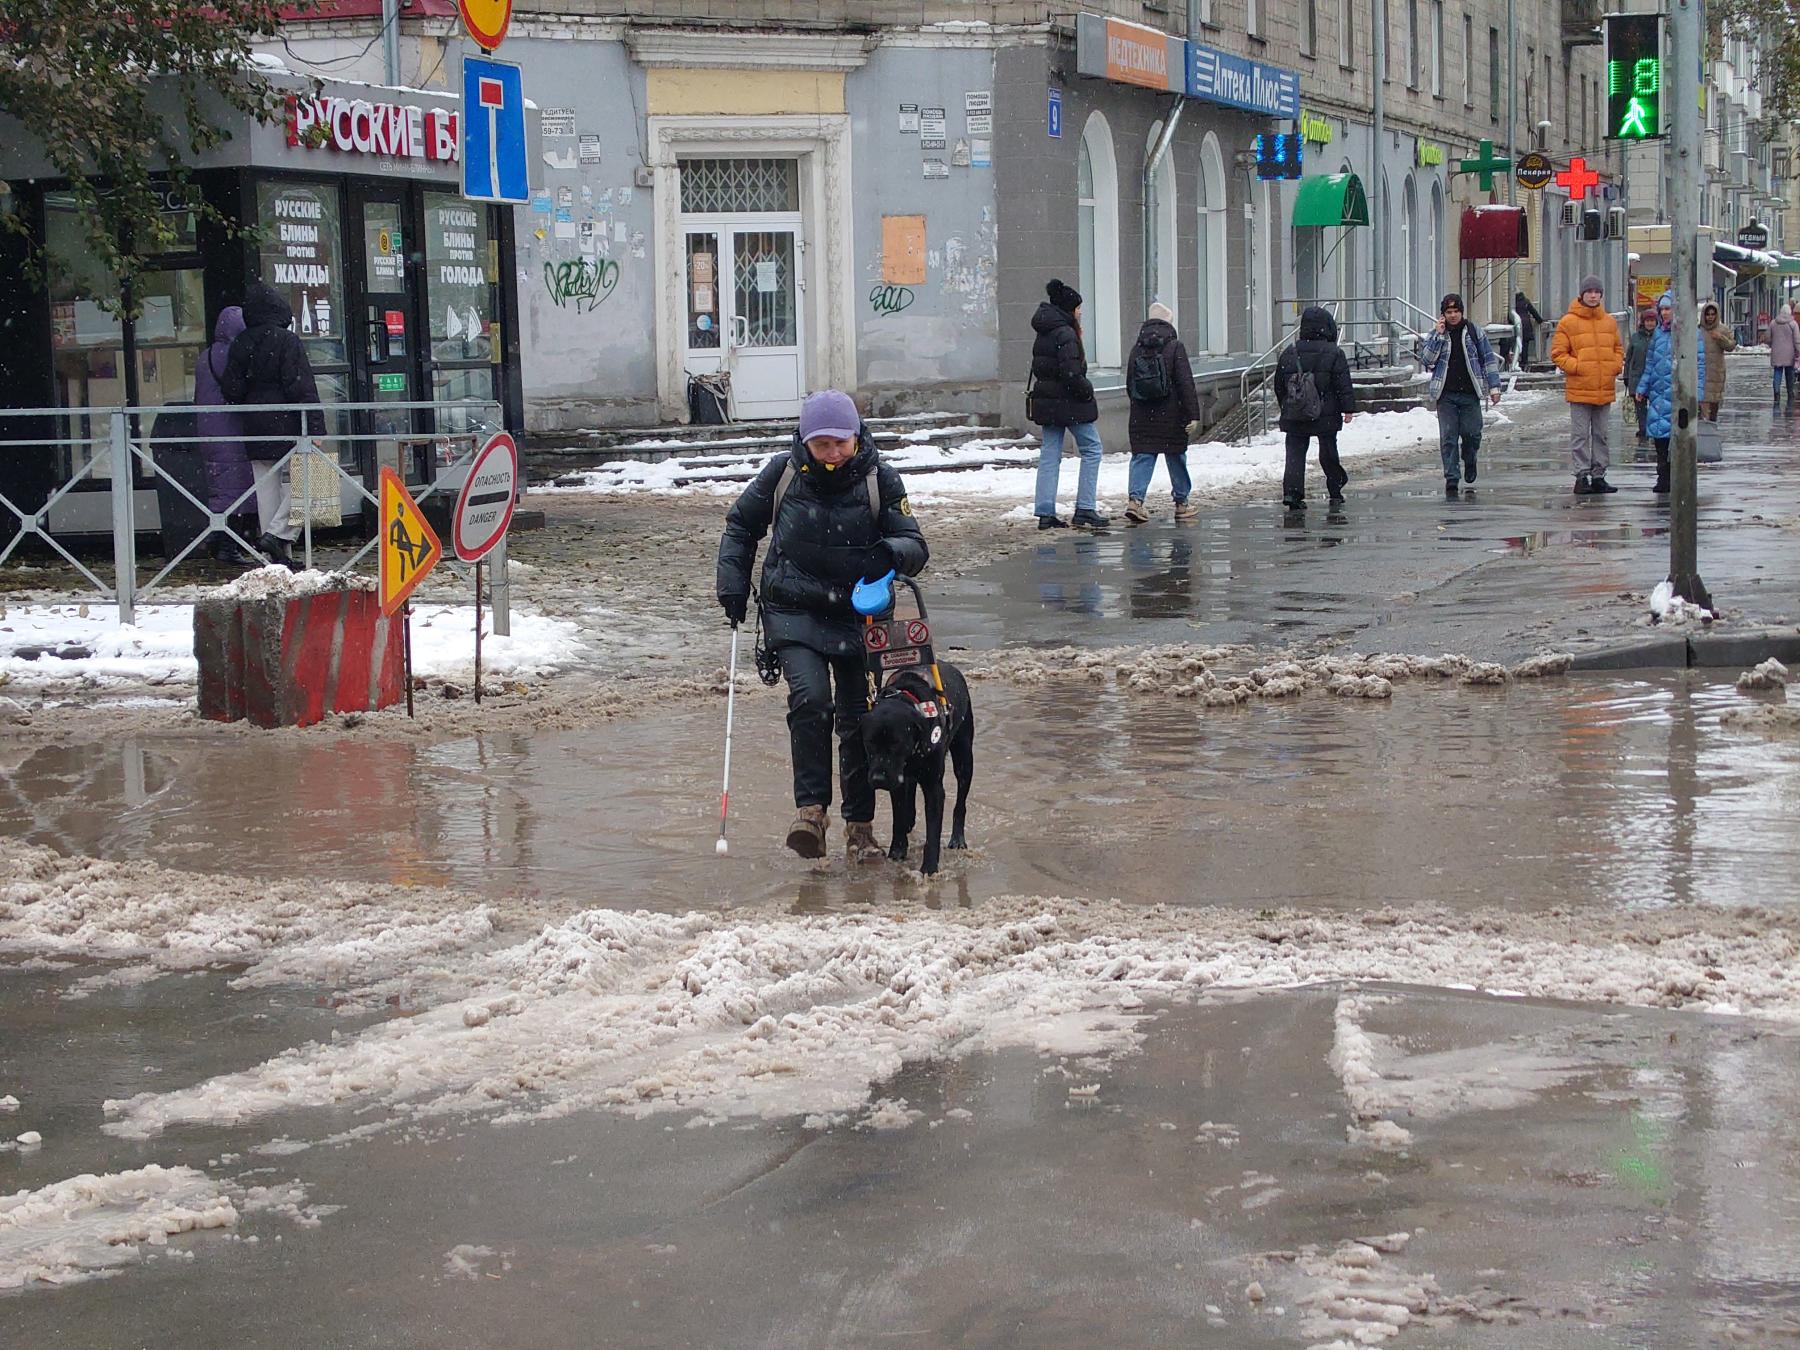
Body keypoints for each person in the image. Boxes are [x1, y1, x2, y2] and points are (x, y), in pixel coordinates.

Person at [716, 389, 928, 863]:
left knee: (859, 719)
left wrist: (890, 554)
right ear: (805, 441)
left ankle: (860, 828)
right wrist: (732, 585)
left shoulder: (880, 478)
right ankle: (811, 814)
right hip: (794, 609)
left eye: (841, 442)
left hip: (860, 615)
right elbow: (740, 526)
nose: (833, 453)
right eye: (822, 444)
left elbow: (915, 543)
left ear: (857, 436)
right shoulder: (783, 473)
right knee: (811, 700)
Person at [219, 281, 325, 567]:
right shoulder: (287, 341)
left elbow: (232, 390)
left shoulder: (240, 343)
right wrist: (315, 427)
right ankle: (278, 536)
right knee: (314, 480)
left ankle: (275, 561)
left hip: (255, 425)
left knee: (267, 493)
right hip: (288, 424)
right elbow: (302, 387)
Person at [1029, 278, 1108, 530]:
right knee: (1092, 449)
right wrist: (1087, 391)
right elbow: (1071, 373)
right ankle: (1085, 508)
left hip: (1047, 401)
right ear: (1068, 309)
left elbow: (1043, 367)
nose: (1080, 312)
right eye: (1078, 308)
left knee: (1050, 454)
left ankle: (1045, 512)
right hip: (1069, 403)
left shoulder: (1045, 330)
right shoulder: (1066, 333)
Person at [1123, 302, 1201, 524]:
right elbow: (1185, 383)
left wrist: (1140, 405)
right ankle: (1182, 504)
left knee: (1143, 456)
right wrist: (1193, 414)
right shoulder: (1175, 347)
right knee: (1176, 457)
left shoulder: (1136, 348)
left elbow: (1129, 384)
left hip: (1142, 415)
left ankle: (1135, 501)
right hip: (1172, 414)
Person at [1273, 305, 1356, 509]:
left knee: (1295, 453)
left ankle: (1292, 493)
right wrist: (1348, 408)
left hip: (1296, 412)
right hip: (1325, 412)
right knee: (1328, 450)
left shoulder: (1289, 352)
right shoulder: (1334, 353)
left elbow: (1279, 384)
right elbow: (1342, 384)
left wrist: (1287, 404)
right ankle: (1335, 488)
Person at [1420, 292, 1503, 498]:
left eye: (1456, 311)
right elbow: (1427, 360)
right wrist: (1439, 336)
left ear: (1462, 312)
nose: (1453, 315)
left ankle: (1470, 459)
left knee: (1471, 433)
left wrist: (1494, 387)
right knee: (1448, 436)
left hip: (1470, 393)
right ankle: (1451, 478)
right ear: (1443, 314)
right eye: (1449, 312)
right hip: (1446, 394)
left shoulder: (1473, 332)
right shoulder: (1436, 335)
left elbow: (1488, 359)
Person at [1550, 273, 1626, 496]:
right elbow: (1558, 353)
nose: (1593, 296)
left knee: (1601, 435)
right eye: (1589, 292)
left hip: (1604, 388)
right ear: (1582, 294)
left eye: (1597, 292)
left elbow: (1618, 349)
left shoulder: (1609, 322)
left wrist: (1614, 366)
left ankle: (1599, 475)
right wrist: (1578, 367)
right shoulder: (1568, 322)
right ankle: (1581, 476)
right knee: (1580, 435)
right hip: (1580, 388)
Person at [191, 305, 255, 563]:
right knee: (234, 488)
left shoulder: (205, 356)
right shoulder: (232, 355)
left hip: (208, 428)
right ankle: (226, 544)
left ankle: (218, 539)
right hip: (230, 428)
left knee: (221, 485)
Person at [1636, 291, 1704, 497]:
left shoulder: (1690, 333)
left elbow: (1700, 365)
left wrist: (1698, 393)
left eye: (1668, 309)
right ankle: (1663, 476)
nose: (1665, 313)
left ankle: (1679, 476)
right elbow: (1650, 364)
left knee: (1680, 438)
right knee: (1660, 437)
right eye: (1662, 309)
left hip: (1680, 394)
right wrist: (1642, 387)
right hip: (1659, 393)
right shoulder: (1658, 334)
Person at [1623, 307, 1657, 448]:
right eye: (1647, 321)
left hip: (1655, 378)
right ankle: (1643, 429)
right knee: (1640, 407)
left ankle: (1652, 429)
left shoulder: (1659, 337)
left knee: (1655, 406)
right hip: (1637, 377)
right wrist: (1626, 376)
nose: (1650, 323)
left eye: (1652, 321)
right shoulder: (1636, 338)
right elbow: (1629, 358)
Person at [1698, 301, 1737, 422]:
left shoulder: (1723, 329)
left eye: (1712, 314)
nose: (1710, 317)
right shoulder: (1698, 330)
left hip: (1716, 372)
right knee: (1702, 401)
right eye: (1708, 314)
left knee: (1714, 404)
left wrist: (1720, 338)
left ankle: (1712, 424)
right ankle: (1703, 424)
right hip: (1701, 372)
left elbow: (1731, 346)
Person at [1768, 301, 1799, 409]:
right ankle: (1790, 393)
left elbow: (1768, 338)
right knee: (1789, 374)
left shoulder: (1773, 323)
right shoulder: (1793, 324)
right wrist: (1798, 351)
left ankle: (1776, 394)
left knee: (1777, 373)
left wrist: (1772, 344)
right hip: (1790, 354)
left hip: (1777, 353)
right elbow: (1797, 340)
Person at [1514, 291, 1546, 366]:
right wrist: (1540, 321)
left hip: (1517, 325)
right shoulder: (1526, 301)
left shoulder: (1514, 303)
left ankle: (1516, 362)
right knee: (1525, 345)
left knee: (1516, 344)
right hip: (1526, 326)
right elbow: (1534, 312)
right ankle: (1524, 362)